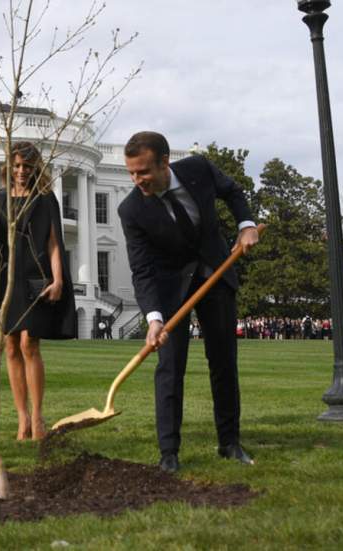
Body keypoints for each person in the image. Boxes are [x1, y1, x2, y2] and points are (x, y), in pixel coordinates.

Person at [118, 131, 258, 474]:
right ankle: (169, 453)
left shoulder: (198, 169)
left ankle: (229, 443)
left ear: (165, 162)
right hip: (169, 290)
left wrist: (246, 224)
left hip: (215, 273)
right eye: (132, 173)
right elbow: (141, 269)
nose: (137, 181)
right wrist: (153, 317)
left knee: (223, 362)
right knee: (169, 368)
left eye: (144, 172)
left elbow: (233, 192)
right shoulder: (131, 209)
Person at [0, 141, 77, 441]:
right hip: (4, 282)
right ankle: (22, 420)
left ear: (35, 167)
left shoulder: (45, 199)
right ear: (8, 168)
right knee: (10, 346)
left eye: (26, 166)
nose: (21, 171)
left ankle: (38, 418)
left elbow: (54, 242)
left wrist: (59, 279)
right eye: (16, 166)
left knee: (29, 344)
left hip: (34, 279)